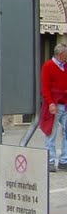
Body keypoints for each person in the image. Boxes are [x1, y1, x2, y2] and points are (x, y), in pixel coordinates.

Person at [40, 43, 67, 172]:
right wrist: (50, 103)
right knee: (51, 133)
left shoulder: (66, 66)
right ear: (60, 54)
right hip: (55, 104)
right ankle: (50, 161)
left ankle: (64, 160)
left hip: (65, 104)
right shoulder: (48, 66)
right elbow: (45, 87)